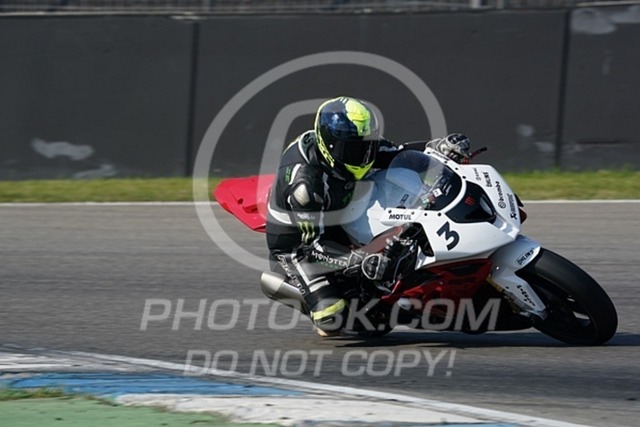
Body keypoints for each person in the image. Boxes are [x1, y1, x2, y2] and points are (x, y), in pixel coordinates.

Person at [265, 96, 471, 336]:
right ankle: (309, 294)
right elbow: (312, 247)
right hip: (300, 247)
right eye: (353, 150)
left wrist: (438, 147)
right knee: (331, 315)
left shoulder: (361, 146)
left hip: (342, 209)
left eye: (367, 147)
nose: (363, 157)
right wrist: (360, 261)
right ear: (329, 146)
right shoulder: (307, 189)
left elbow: (399, 153)